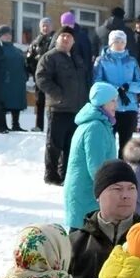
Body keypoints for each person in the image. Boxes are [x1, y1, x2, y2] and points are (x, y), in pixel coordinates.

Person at [69, 160, 140, 278]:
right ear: (98, 195)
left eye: (131, 188)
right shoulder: (74, 244)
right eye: (117, 189)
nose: (126, 195)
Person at [59, 81, 121, 229]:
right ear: (102, 102)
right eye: (112, 101)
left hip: (90, 195)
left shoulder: (100, 124)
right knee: (83, 244)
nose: (116, 105)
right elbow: (96, 168)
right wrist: (111, 191)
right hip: (86, 196)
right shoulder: (95, 128)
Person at [37, 26, 92, 185]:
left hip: (77, 109)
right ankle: (51, 175)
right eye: (63, 36)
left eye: (69, 37)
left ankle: (66, 174)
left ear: (74, 41)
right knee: (55, 144)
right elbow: (41, 78)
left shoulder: (77, 59)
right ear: (57, 39)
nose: (66, 39)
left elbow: (84, 81)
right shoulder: (50, 57)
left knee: (71, 144)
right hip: (58, 108)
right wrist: (58, 95)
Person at [0, 27, 28, 132]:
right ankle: (2, 124)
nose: (8, 36)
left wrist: (25, 76)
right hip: (4, 80)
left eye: (9, 34)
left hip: (18, 81)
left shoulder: (17, 50)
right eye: (5, 34)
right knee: (3, 102)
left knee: (17, 102)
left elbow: (24, 64)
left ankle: (16, 124)